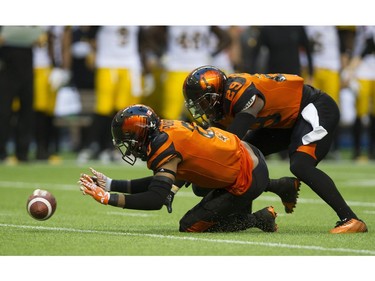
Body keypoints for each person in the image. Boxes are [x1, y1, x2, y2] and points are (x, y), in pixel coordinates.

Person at [182, 65, 368, 234]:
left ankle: (351, 218)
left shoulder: (241, 92)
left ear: (215, 95)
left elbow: (231, 140)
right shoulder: (222, 107)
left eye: (203, 102)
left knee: (301, 165)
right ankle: (270, 194)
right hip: (285, 121)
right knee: (244, 158)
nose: (201, 109)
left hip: (312, 107)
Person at [78, 104, 299, 233]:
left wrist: (108, 198)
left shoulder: (164, 148)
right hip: (248, 154)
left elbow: (156, 199)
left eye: (129, 140)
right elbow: (158, 185)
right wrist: (110, 184)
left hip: (246, 177)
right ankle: (280, 185)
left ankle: (260, 219)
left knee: (189, 226)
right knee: (197, 186)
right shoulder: (164, 128)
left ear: (141, 135)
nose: (129, 147)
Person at [0, 26, 45, 163]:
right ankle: (1, 152)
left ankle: (23, 153)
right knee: (4, 112)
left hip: (26, 66)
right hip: (7, 67)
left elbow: (41, 41)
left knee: (27, 112)